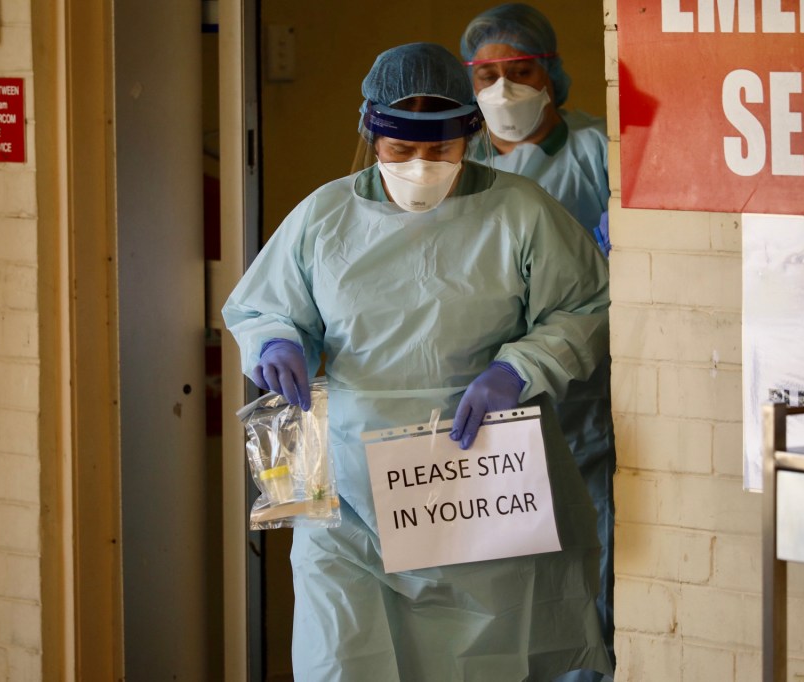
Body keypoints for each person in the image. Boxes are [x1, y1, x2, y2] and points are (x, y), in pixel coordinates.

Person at [223, 42, 612, 682]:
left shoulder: (519, 212)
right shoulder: (326, 216)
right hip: (348, 496)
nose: (421, 167)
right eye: (401, 150)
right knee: (342, 659)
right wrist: (278, 342)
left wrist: (519, 368)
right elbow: (266, 306)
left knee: (484, 662)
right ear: (371, 135)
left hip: (476, 480)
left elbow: (585, 306)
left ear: (470, 135)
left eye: (440, 150)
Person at [461, 3, 618, 673]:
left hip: (580, 398)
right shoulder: (459, 161)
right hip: (484, 398)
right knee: (499, 586)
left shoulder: (596, 151)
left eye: (520, 71)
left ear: (551, 72)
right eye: (486, 75)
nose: (503, 89)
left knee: (587, 575)